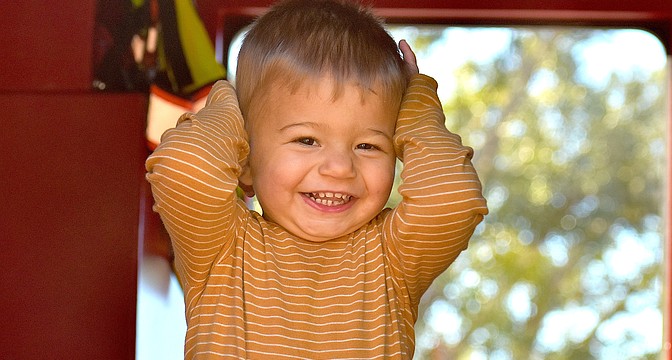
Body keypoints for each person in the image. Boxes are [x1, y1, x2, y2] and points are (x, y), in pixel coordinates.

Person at [145, 0, 488, 358]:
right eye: (306, 140)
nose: (340, 168)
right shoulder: (222, 247)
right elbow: (183, 167)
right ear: (244, 157)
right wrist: (230, 98)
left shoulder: (391, 258)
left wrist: (417, 103)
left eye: (368, 145)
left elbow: (453, 199)